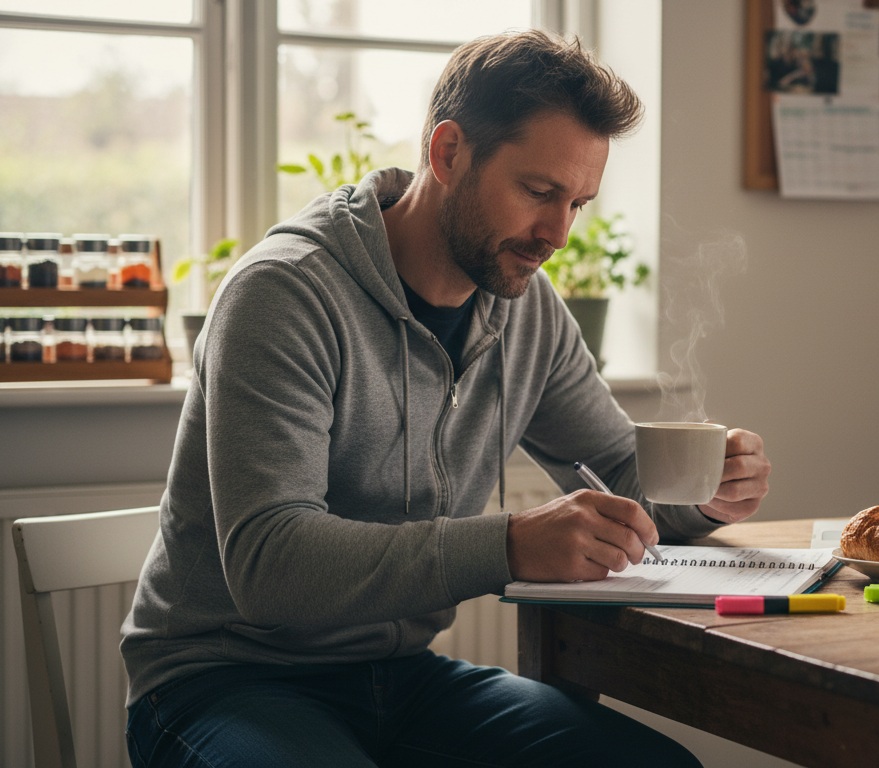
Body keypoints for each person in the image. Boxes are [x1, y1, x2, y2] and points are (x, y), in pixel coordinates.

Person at [121, 29, 771, 768]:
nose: (556, 233)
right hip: (222, 682)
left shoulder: (526, 309)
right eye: (538, 192)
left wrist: (704, 495)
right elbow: (272, 564)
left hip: (402, 681)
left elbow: (623, 475)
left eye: (578, 204)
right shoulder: (284, 294)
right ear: (448, 152)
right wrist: (508, 545)